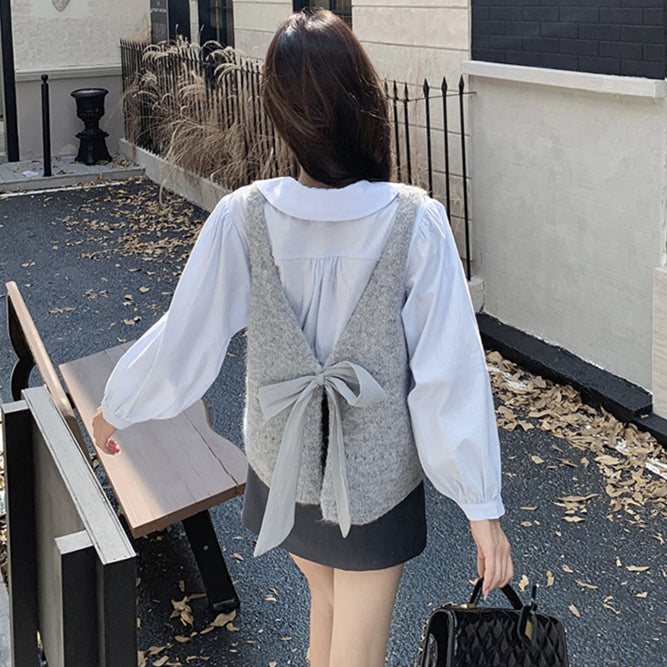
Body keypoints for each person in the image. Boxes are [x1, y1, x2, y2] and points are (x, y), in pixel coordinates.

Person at [93, 8, 513, 667]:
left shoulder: (244, 215)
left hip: (282, 475)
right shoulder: (416, 223)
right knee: (355, 649)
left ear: (279, 112)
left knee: (327, 613)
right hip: (376, 489)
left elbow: (187, 333)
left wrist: (118, 405)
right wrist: (480, 505)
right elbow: (447, 375)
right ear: (365, 98)